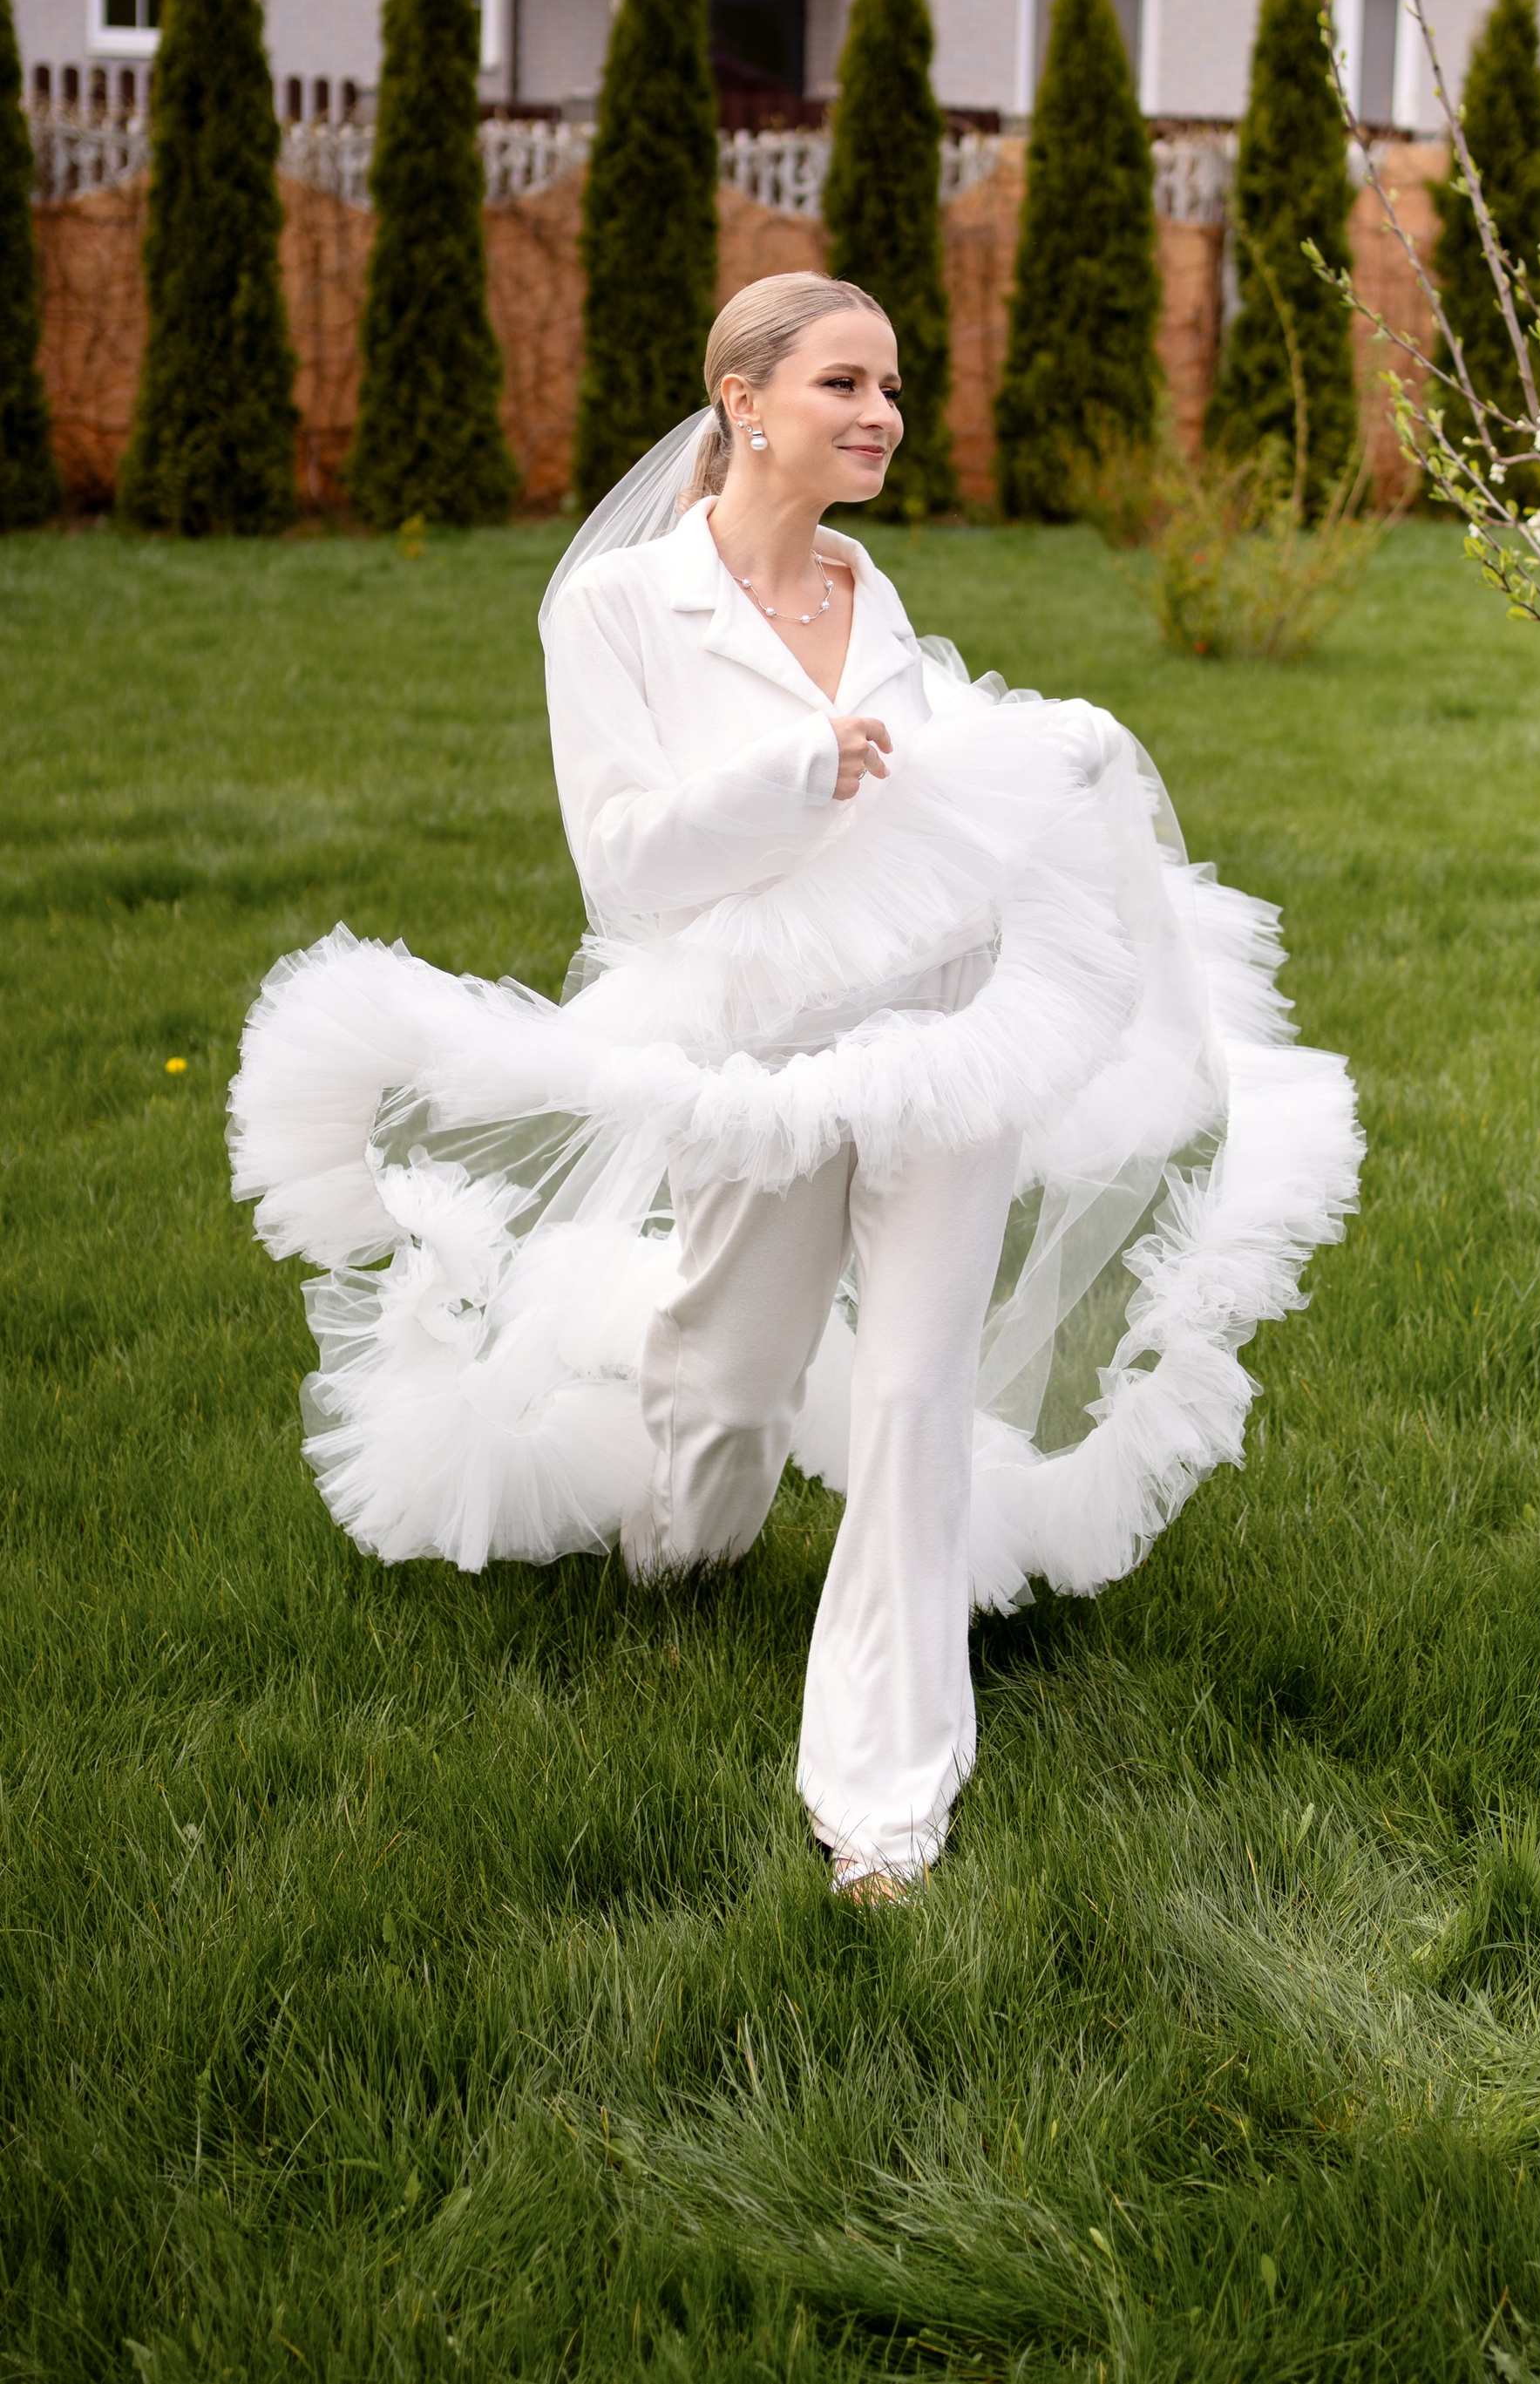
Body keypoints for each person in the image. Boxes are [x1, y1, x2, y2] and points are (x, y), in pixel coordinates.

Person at [232, 274, 1362, 1899]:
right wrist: (795, 776)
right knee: (733, 1377)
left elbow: (923, 809)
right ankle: (677, 1553)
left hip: (952, 1027)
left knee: (913, 1399)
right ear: (744, 402)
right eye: (846, 382)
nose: (883, 413)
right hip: (760, 1056)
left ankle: (884, 1802)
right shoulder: (617, 612)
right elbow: (624, 866)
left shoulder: (868, 584)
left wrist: (1037, 755)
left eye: (894, 384)